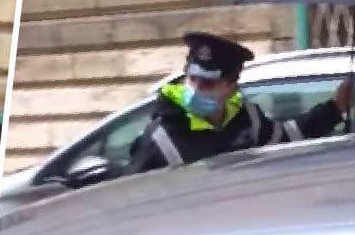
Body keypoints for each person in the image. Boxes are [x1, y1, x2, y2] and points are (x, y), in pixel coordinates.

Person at [125, 32, 355, 176]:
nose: (194, 89)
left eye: (207, 83)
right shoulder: (160, 138)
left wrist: (336, 107)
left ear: (230, 86)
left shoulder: (248, 118)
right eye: (191, 79)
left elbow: (289, 136)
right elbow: (132, 199)